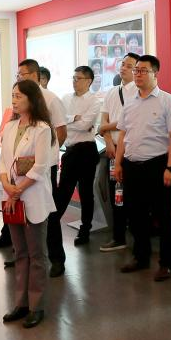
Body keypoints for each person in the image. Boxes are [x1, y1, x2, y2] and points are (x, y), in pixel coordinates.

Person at [113, 55, 171, 281]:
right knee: (135, 215)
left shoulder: (168, 101)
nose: (138, 74)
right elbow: (123, 134)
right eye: (136, 71)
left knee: (163, 216)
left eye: (143, 70)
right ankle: (141, 257)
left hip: (157, 165)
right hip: (132, 166)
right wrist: (118, 163)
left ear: (155, 73)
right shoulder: (130, 101)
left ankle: (167, 263)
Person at [0, 60, 66, 258]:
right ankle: (18, 250)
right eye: (17, 75)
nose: (19, 78)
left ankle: (56, 258)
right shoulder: (16, 115)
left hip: (43, 165)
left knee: (44, 214)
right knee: (16, 211)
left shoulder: (51, 99)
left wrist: (47, 156)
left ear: (34, 75)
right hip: (16, 171)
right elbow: (6, 154)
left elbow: (61, 131)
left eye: (21, 74)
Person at [0, 80, 58, 329]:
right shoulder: (11, 126)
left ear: (32, 99)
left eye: (19, 96)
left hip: (32, 197)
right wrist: (7, 186)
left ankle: (36, 306)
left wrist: (17, 191)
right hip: (13, 197)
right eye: (13, 95)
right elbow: (3, 162)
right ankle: (21, 303)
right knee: (19, 253)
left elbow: (41, 166)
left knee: (37, 255)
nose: (14, 100)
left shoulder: (42, 129)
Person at [54, 66, 103, 247]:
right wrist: (74, 117)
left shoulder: (95, 101)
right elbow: (57, 121)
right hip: (69, 150)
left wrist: (69, 121)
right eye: (73, 78)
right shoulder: (66, 98)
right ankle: (52, 226)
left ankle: (85, 229)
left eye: (78, 78)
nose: (74, 81)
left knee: (86, 193)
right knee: (63, 192)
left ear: (88, 81)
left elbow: (84, 126)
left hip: (86, 151)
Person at [95, 53, 139, 252]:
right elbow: (102, 121)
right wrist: (108, 141)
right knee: (116, 195)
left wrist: (105, 127)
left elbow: (127, 123)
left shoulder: (138, 92)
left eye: (129, 66)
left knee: (134, 196)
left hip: (131, 151)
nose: (123, 68)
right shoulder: (113, 92)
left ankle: (138, 239)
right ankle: (118, 236)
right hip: (112, 150)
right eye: (122, 64)